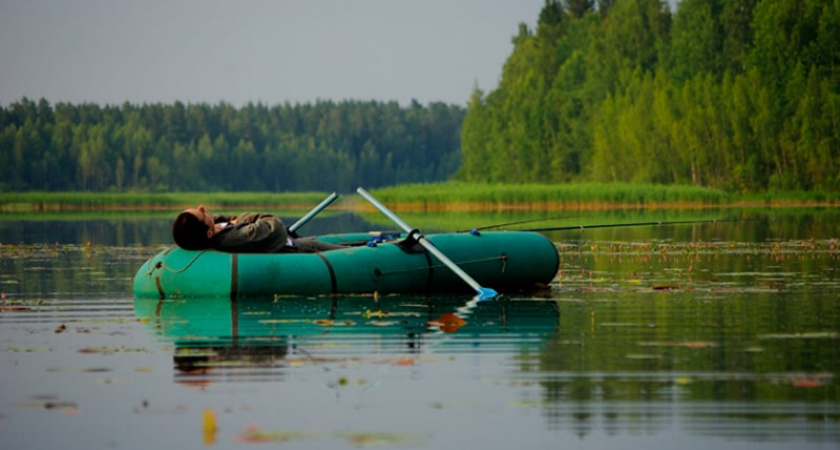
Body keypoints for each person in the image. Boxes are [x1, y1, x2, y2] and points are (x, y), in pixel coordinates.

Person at [171, 205, 343, 253]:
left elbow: (221, 219)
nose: (202, 207)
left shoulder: (213, 230)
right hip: (294, 248)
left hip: (293, 240)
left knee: (344, 243)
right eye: (201, 213)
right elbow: (274, 226)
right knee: (346, 252)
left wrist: (232, 220)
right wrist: (242, 219)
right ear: (209, 233)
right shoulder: (235, 237)